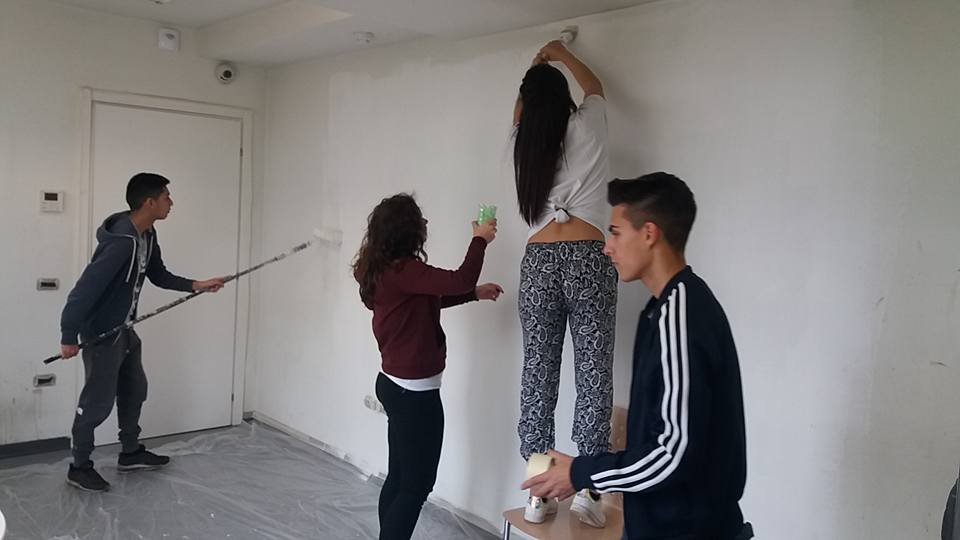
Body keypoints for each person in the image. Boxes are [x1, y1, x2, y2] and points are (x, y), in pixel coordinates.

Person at [523, 173, 751, 540]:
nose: (607, 247)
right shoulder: (661, 310)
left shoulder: (681, 316)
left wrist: (581, 473)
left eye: (615, 232)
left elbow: (672, 454)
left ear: (649, 234)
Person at [60, 172, 226, 492]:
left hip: (125, 329)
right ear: (149, 202)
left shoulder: (147, 234)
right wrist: (69, 335)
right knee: (97, 402)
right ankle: (79, 467)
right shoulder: (121, 243)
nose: (171, 203)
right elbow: (83, 291)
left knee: (135, 388)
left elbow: (158, 275)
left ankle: (130, 453)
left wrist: (197, 285)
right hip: (102, 334)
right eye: (166, 197)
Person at [352, 194, 502, 540]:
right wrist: (480, 239)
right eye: (420, 220)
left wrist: (474, 294)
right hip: (414, 395)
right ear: (407, 230)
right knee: (416, 485)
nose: (425, 225)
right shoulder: (404, 270)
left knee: (399, 478)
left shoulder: (385, 270)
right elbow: (458, 279)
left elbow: (428, 299)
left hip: (393, 385)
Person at [513, 40, 618, 526]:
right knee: (593, 373)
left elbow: (521, 111)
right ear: (565, 99)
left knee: (538, 374)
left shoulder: (523, 143)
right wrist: (558, 53)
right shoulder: (588, 125)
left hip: (538, 263)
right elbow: (595, 86)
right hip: (589, 259)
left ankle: (539, 495)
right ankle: (589, 494)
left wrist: (531, 72)